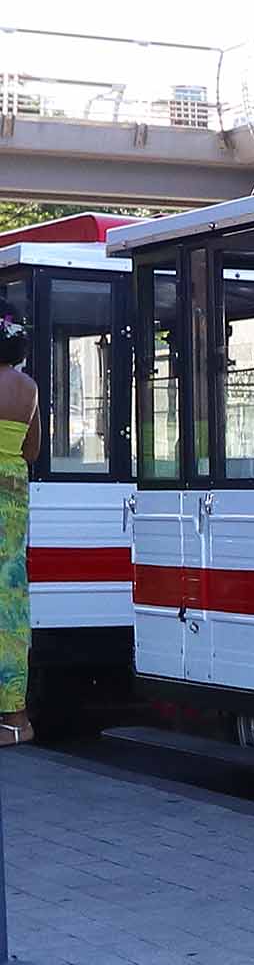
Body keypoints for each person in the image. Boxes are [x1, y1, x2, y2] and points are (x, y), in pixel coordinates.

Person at [0, 307, 35, 744]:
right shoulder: (28, 388)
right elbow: (33, 448)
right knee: (10, 607)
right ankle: (15, 720)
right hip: (12, 499)